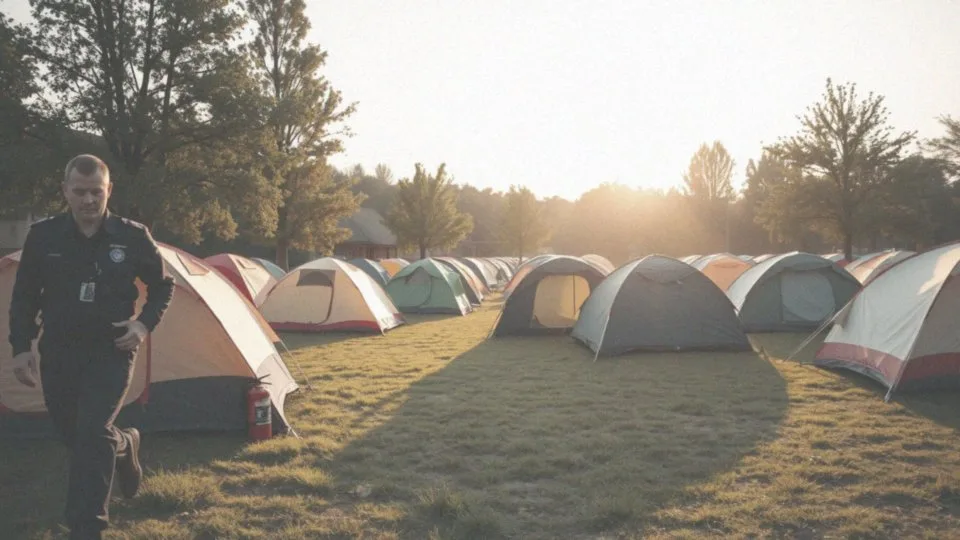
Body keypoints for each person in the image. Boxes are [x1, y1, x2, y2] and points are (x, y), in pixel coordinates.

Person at [8, 154, 174, 540]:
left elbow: (163, 286)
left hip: (112, 348)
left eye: (95, 191)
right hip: (60, 350)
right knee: (73, 433)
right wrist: (21, 347)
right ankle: (125, 442)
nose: (87, 200)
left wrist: (142, 324)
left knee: (91, 430)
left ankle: (87, 527)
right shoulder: (44, 235)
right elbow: (25, 296)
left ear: (108, 190)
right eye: (79, 191)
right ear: (65, 191)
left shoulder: (132, 236)